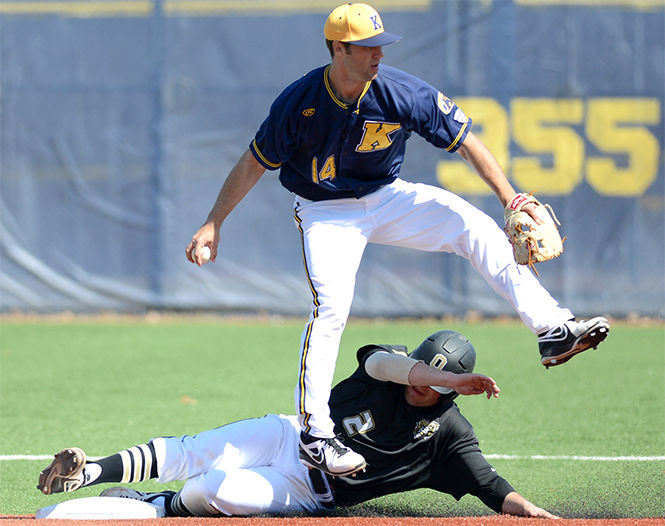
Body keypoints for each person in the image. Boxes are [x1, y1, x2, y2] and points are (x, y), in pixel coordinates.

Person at [185, 2, 609, 477]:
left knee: (472, 225)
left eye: (380, 45)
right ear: (338, 48)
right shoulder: (300, 101)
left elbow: (465, 137)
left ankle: (552, 329)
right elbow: (254, 160)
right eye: (366, 47)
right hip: (326, 212)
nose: (377, 55)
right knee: (331, 307)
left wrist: (511, 199)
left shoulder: (401, 91)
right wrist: (213, 222)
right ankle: (315, 432)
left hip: (387, 198)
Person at [38, 330, 558, 519]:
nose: (424, 384)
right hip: (292, 434)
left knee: (210, 491)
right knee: (198, 448)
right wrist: (439, 377)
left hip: (307, 489)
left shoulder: (448, 432)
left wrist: (531, 509)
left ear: (456, 390)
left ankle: (154, 505)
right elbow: (384, 364)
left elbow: (488, 483)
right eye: (424, 370)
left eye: (442, 382)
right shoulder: (388, 366)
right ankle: (88, 473)